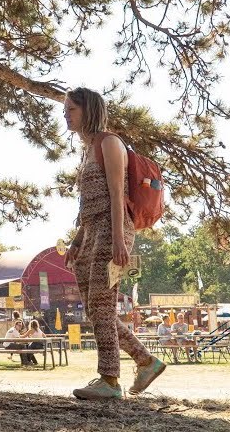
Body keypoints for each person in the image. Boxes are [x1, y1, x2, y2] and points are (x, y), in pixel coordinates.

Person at [63, 87, 165, 399]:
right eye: (65, 109)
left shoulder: (109, 142)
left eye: (71, 109)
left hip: (112, 230)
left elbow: (116, 193)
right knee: (96, 310)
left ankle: (109, 380)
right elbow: (89, 204)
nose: (65, 115)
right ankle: (146, 362)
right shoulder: (87, 150)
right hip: (91, 231)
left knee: (102, 305)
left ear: (89, 110)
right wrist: (77, 241)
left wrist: (119, 240)